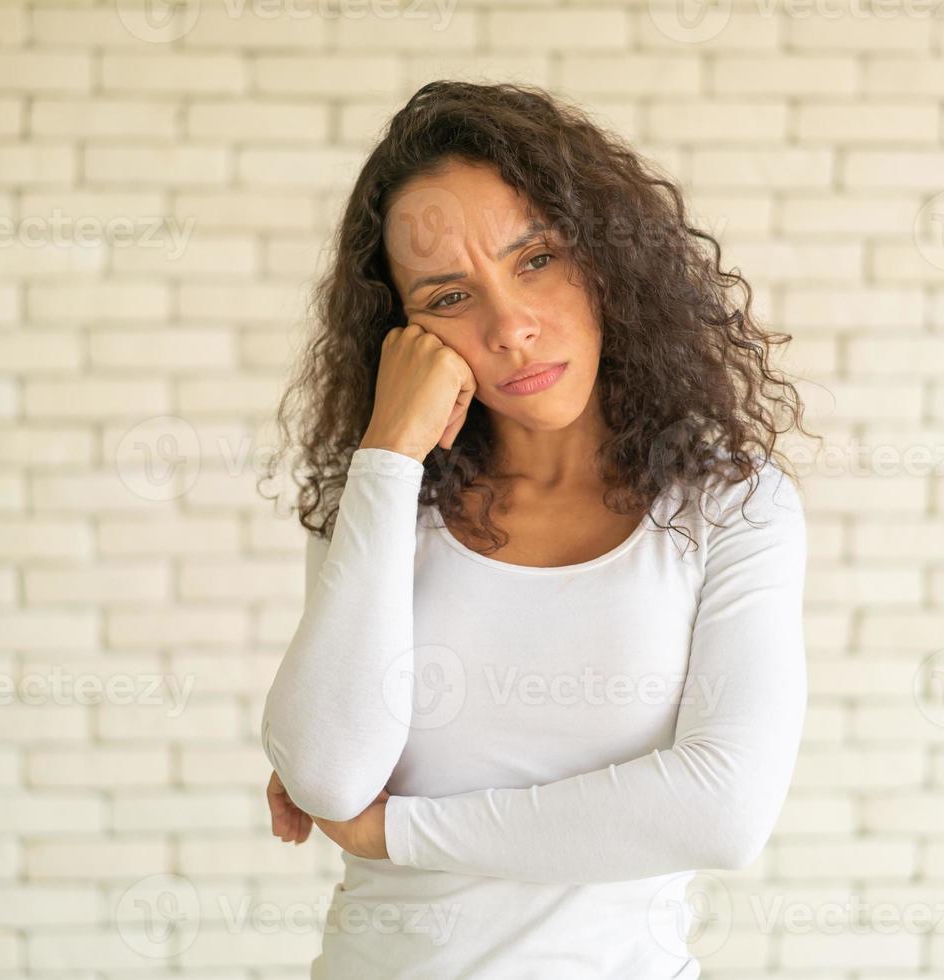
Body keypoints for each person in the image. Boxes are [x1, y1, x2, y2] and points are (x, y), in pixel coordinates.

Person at [256, 79, 814, 979]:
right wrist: (389, 453)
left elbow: (723, 810)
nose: (511, 326)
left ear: (605, 262)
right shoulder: (379, 499)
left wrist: (393, 830)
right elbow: (326, 775)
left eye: (536, 258)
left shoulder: (731, 506)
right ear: (401, 334)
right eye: (447, 297)